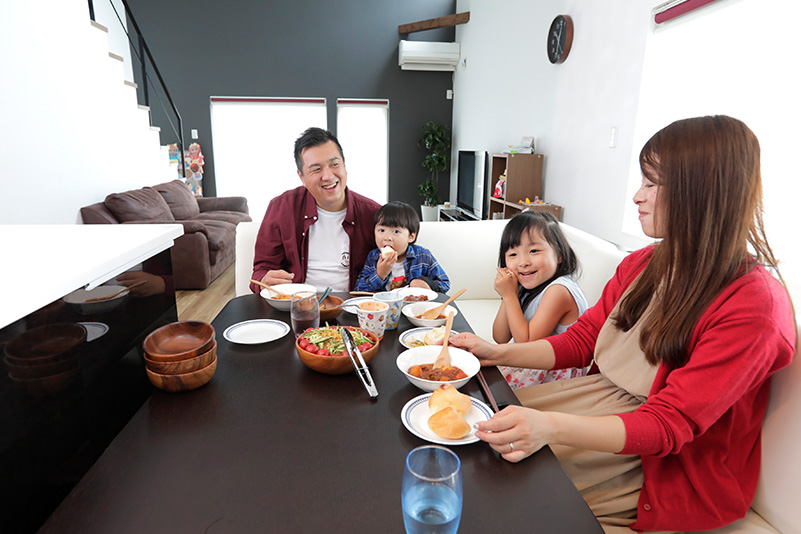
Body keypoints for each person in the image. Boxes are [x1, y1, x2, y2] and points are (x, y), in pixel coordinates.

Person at [448, 116, 796, 533]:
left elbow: (669, 425)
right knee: (470, 450)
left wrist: (548, 426)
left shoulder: (754, 305)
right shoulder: (645, 263)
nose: (637, 196)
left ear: (700, 190)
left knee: (494, 496)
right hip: (588, 405)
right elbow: (580, 342)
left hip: (653, 464)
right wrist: (496, 352)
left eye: (651, 183)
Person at [250, 127, 380, 293]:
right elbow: (261, 271)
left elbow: (405, 262)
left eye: (334, 164)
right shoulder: (281, 208)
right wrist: (264, 280)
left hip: (355, 311)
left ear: (345, 165)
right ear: (301, 177)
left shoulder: (373, 214)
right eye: (316, 169)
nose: (328, 176)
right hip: (297, 308)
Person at [492, 211, 589, 389]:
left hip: (553, 375)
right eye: (513, 254)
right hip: (529, 363)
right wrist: (509, 294)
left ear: (559, 255)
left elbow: (526, 344)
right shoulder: (526, 286)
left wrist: (509, 295)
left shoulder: (559, 290)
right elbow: (500, 337)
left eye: (534, 251)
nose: (523, 262)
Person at [354, 201, 450, 292]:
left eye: (396, 231)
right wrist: (380, 275)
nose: (387, 238)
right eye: (382, 230)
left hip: (415, 307)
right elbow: (358, 289)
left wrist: (425, 284)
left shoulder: (423, 256)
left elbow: (444, 283)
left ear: (411, 237)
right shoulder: (373, 257)